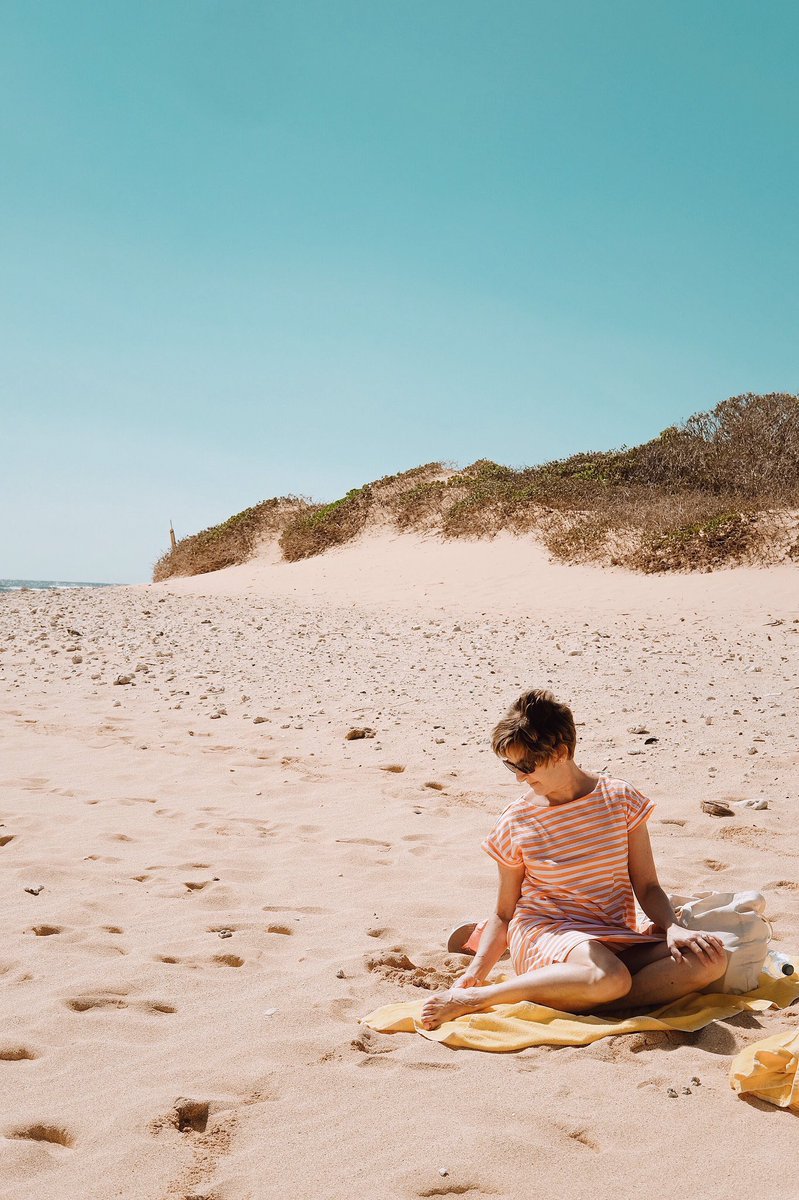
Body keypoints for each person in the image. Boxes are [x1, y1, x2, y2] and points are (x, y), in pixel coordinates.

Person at [420, 688, 727, 1030]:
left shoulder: (619, 799)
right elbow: (504, 912)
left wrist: (673, 928)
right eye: (511, 766)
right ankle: (481, 999)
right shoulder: (515, 820)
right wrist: (475, 974)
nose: (519, 776)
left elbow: (647, 885)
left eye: (526, 766)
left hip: (610, 935)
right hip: (546, 930)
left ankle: (586, 997)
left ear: (561, 752)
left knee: (709, 960)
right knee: (610, 976)